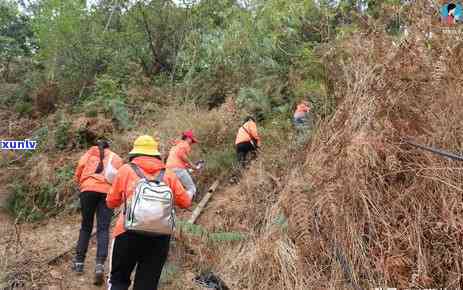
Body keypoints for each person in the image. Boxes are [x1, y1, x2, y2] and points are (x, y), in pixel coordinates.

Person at [106, 135, 192, 290]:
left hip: (127, 233)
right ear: (156, 154)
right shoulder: (168, 174)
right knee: (147, 285)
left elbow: (111, 201)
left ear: (135, 153)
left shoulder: (125, 170)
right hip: (159, 238)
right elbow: (185, 202)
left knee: (118, 280)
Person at [73, 139, 123, 285]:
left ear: (96, 146)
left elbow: (79, 171)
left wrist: (82, 184)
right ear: (109, 146)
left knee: (86, 226)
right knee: (103, 228)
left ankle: (79, 263)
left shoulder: (89, 154)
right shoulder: (116, 157)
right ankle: (100, 265)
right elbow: (119, 179)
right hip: (106, 192)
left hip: (87, 190)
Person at [166, 130, 199, 200]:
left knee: (172, 191)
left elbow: (177, 159)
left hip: (168, 171)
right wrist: (193, 166)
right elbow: (181, 155)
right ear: (188, 138)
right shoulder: (185, 144)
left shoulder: (176, 145)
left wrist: (188, 165)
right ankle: (186, 201)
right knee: (192, 188)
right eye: (192, 141)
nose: (191, 143)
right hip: (177, 169)